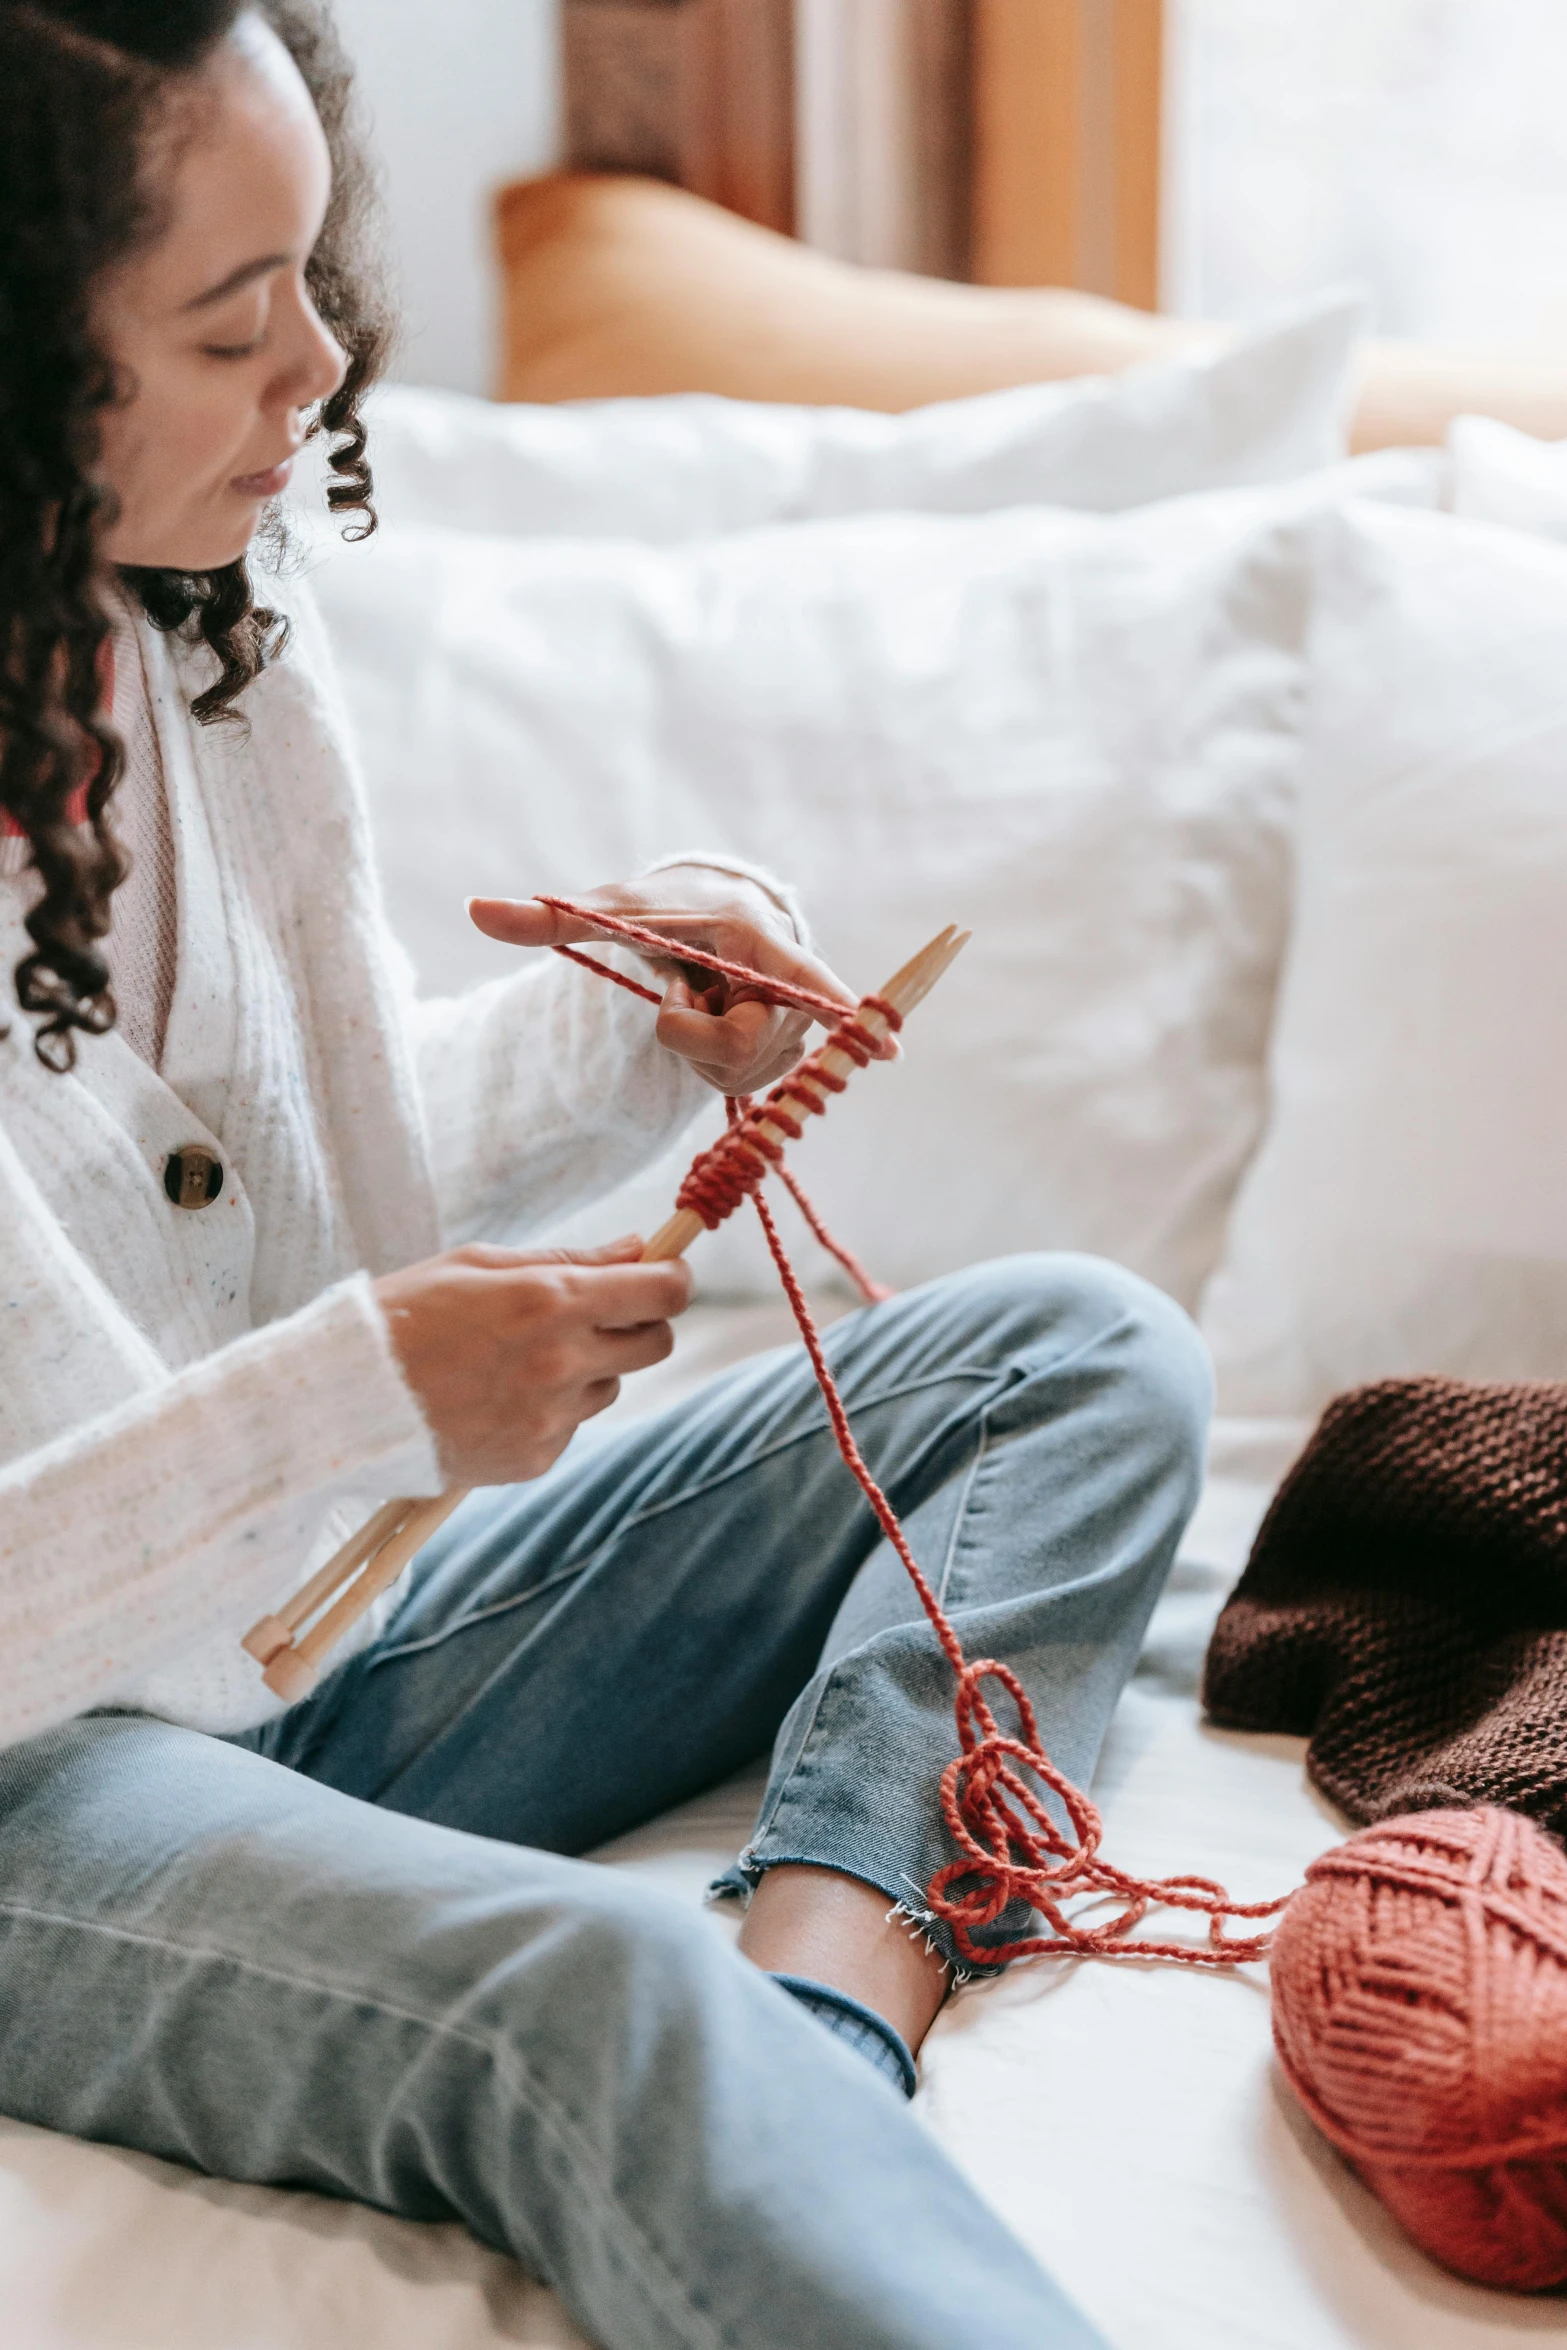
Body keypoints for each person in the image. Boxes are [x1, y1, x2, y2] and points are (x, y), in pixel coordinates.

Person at [0, 7, 1212, 2345]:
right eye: (236, 322)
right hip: (37, 1777)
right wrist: (370, 1396)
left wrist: (628, 1026)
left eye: (319, 282)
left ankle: (822, 2018)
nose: (323, 373)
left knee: (1082, 1349)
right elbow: (331, 1356)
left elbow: (325, 1183)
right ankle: (731, 2069)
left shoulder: (205, 649)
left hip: (318, 1645)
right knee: (586, 1994)